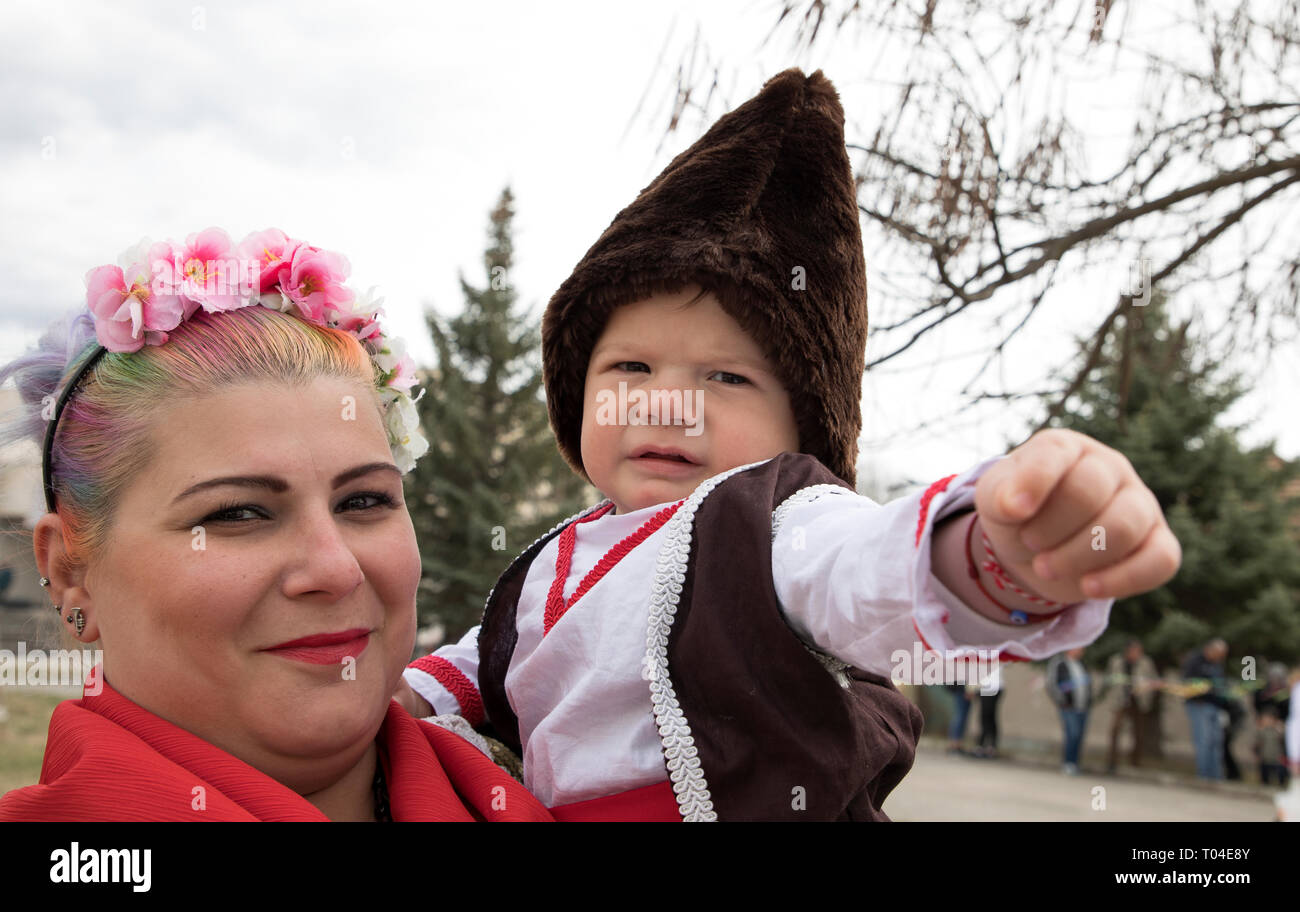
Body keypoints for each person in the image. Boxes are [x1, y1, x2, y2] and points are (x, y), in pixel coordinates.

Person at [395, 69, 1182, 820]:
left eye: (726, 378)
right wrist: (402, 698)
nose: (667, 407)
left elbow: (861, 570)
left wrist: (989, 551)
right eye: (630, 367)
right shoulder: (552, 560)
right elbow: (484, 665)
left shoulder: (775, 524)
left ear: (802, 427)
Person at [0, 228, 552, 822]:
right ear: (69, 574)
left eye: (364, 501)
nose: (337, 569)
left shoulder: (557, 780)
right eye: (236, 513)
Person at [1101, 638, 1159, 771]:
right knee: (1115, 728)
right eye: (1135, 651)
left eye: (1139, 651)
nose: (1137, 653)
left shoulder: (1146, 662)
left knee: (1138, 732)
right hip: (1120, 699)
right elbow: (1108, 678)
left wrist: (1147, 685)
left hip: (1139, 700)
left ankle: (1135, 761)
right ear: (1128, 651)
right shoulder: (1116, 661)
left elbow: (1154, 680)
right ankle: (1112, 760)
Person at [1181, 638, 1230, 781]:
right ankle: (1204, 776)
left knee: (1216, 741)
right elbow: (1187, 682)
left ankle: (1216, 776)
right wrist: (1204, 688)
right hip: (1199, 706)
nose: (1221, 657)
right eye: (1220, 653)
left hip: (1215, 706)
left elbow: (1220, 683)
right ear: (1211, 650)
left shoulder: (1217, 665)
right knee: (1204, 740)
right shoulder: (1195, 661)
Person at [1045, 648, 1093, 774]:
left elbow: (1087, 683)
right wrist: (1061, 701)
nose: (1081, 651)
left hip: (1082, 706)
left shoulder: (1082, 664)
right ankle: (1068, 763)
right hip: (1068, 706)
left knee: (1079, 736)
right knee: (1073, 733)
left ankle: (1075, 763)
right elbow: (1052, 684)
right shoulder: (1060, 664)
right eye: (1078, 648)